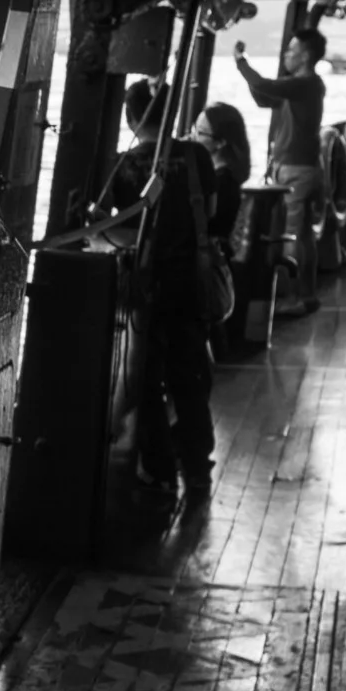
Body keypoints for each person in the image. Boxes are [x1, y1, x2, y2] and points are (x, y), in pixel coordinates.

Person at [101, 84, 223, 502]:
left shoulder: (124, 166)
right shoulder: (197, 156)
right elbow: (208, 214)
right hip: (190, 284)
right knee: (191, 378)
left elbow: (114, 234)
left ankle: (159, 470)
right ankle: (198, 470)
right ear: (171, 117)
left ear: (130, 120)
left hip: (146, 287)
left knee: (148, 380)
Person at [235, 27, 328, 317]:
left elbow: (266, 86)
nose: (287, 55)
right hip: (303, 166)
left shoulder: (306, 84)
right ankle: (306, 294)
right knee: (303, 236)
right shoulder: (301, 88)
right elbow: (264, 97)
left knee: (293, 236)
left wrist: (241, 61)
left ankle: (296, 297)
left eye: (291, 50)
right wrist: (257, 83)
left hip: (296, 170)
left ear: (305, 56)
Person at [192, 101, 250, 240]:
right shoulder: (221, 176)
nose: (192, 136)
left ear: (220, 142)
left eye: (199, 132)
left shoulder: (223, 183)